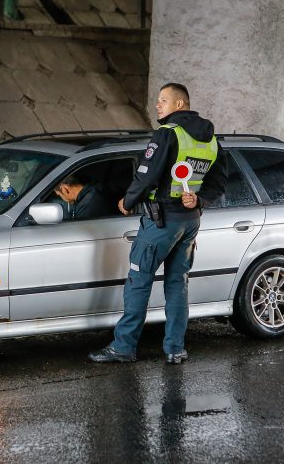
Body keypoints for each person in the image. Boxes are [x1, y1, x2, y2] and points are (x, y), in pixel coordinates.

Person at [88, 82, 227, 364]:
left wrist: (127, 201)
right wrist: (198, 200)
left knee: (139, 281)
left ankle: (123, 348)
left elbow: (147, 175)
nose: (157, 105)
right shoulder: (211, 140)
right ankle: (175, 348)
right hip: (190, 222)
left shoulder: (167, 134)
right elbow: (219, 183)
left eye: (163, 100)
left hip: (161, 221)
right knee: (178, 284)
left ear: (179, 104)